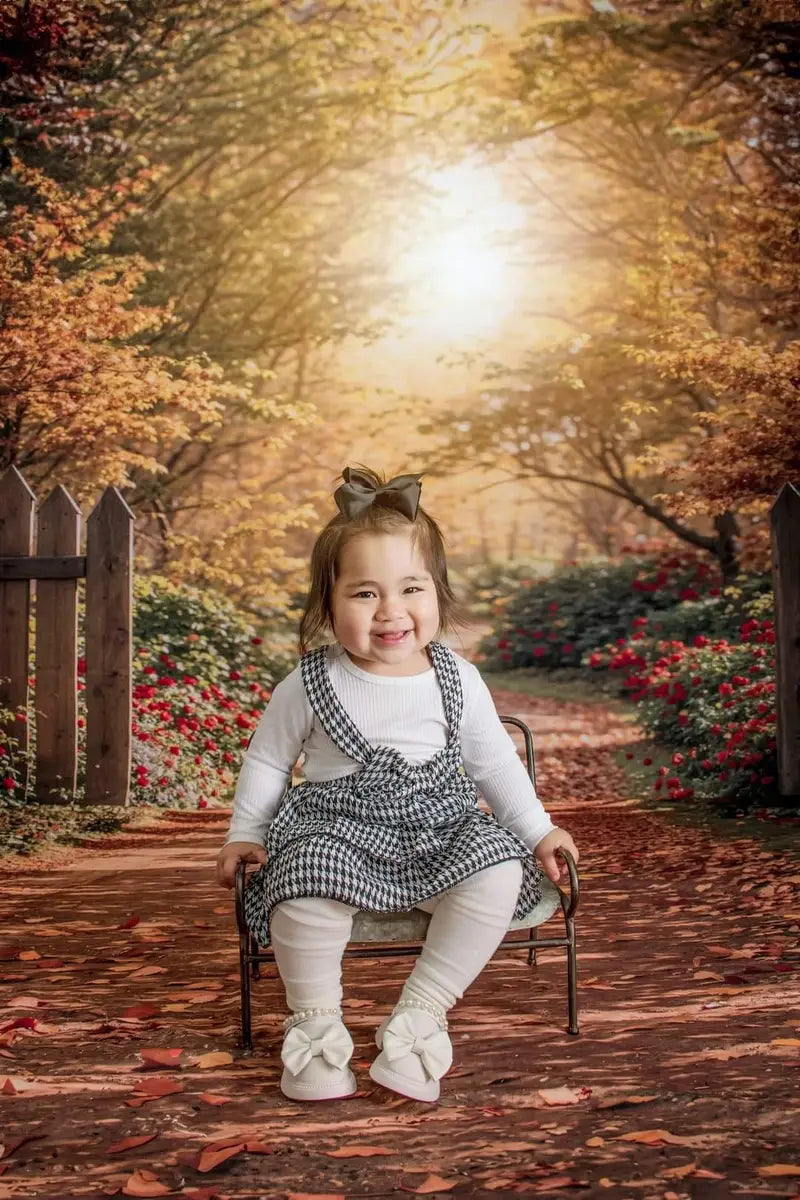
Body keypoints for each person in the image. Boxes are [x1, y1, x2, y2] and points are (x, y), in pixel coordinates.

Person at [216, 467, 580, 1103]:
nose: (391, 612)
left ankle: (420, 1016)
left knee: (495, 870)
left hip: (441, 825)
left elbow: (494, 764)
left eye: (411, 587)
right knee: (299, 887)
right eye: (363, 594)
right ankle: (316, 1028)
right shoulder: (307, 684)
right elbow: (269, 762)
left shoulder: (459, 679)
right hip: (337, 830)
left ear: (438, 592)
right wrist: (247, 833)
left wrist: (539, 829)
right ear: (326, 605)